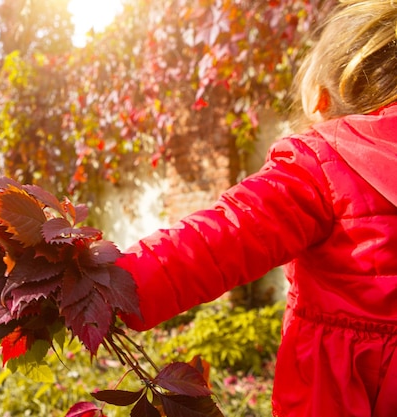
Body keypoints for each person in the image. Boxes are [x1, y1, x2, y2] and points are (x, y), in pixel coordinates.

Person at [115, 1, 397, 416]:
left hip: (342, 390)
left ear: (321, 99)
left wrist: (112, 285)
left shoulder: (322, 162)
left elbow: (224, 236)